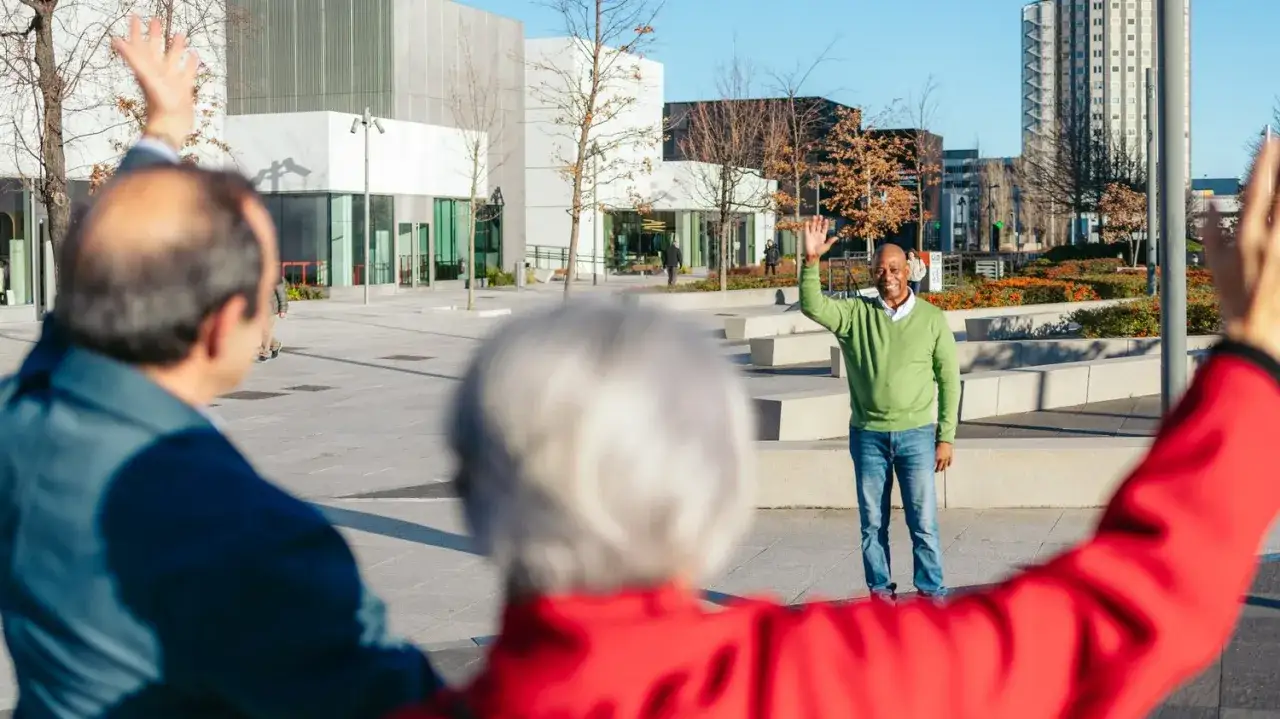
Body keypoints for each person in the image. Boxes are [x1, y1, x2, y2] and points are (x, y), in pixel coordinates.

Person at [395, 138, 1280, 719]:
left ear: (474, 499)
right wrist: (1254, 363)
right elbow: (1131, 609)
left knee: (915, 530)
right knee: (878, 529)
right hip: (873, 448)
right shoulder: (814, 684)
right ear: (718, 498)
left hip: (907, 432)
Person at [0, 17, 440, 718]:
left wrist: (162, 131)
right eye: (267, 295)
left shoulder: (26, 410)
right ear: (217, 327)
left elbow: (106, 274)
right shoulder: (261, 539)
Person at [801, 226, 959, 601]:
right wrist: (811, 262)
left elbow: (950, 381)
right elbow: (813, 306)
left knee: (923, 523)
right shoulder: (856, 314)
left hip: (918, 435)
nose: (886, 275)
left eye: (894, 268)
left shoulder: (932, 319)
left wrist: (946, 436)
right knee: (872, 524)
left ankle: (931, 595)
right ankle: (880, 594)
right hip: (868, 435)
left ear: (908, 269)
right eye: (878, 269)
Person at [260, 277, 287, 362]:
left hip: (270, 308)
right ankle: (275, 345)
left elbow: (281, 293)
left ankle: (264, 353)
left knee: (266, 331)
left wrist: (283, 309)